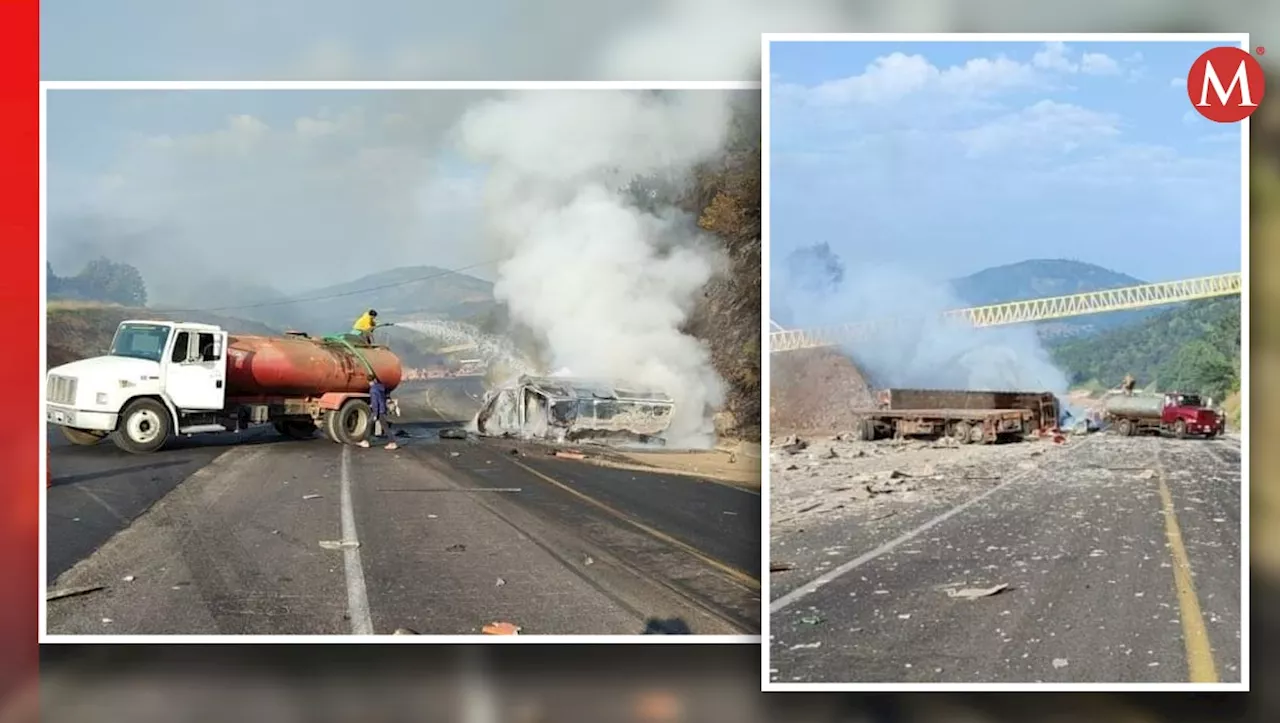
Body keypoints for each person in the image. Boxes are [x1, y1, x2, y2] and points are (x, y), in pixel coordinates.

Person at [359, 377, 398, 450]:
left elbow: (375, 403)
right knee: (382, 426)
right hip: (382, 409)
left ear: (369, 381)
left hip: (378, 411)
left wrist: (375, 414)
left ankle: (392, 442)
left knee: (372, 424)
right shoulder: (380, 387)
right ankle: (366, 441)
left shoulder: (373, 390)